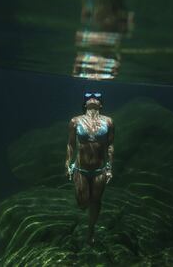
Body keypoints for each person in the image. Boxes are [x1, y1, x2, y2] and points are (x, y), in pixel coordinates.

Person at [65, 92, 114, 245]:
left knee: (96, 201)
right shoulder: (75, 121)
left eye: (97, 97)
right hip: (81, 169)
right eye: (88, 96)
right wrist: (67, 163)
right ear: (85, 104)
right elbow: (71, 144)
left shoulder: (109, 121)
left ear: (101, 104)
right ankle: (85, 214)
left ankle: (90, 230)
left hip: (100, 169)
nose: (92, 97)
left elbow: (110, 146)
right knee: (83, 203)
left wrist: (109, 167)